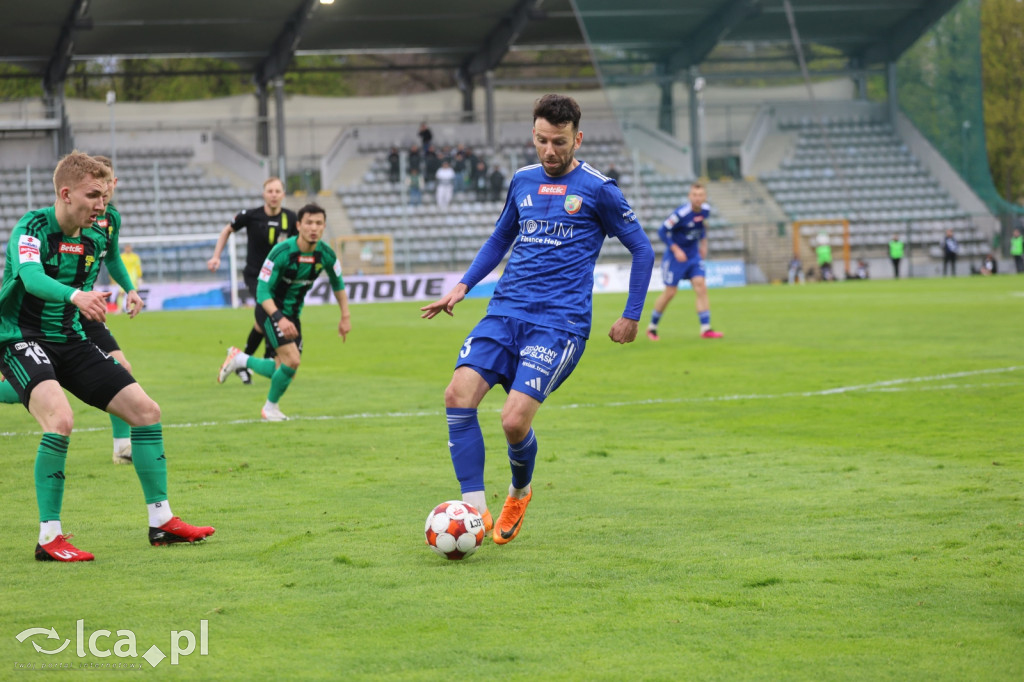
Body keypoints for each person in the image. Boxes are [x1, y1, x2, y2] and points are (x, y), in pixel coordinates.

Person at [420, 94, 654, 545]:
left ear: (577, 139)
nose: (550, 150)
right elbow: (500, 238)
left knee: (513, 422)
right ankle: (475, 509)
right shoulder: (523, 180)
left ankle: (519, 491)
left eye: (559, 142)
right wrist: (463, 285)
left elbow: (642, 249)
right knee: (457, 394)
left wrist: (631, 315)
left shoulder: (599, 189)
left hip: (559, 324)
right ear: (533, 135)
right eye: (542, 140)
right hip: (505, 312)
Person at [0, 151, 214, 562]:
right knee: (60, 420)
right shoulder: (31, 227)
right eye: (93, 195)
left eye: (104, 195)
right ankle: (49, 538)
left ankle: (162, 521)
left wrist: (124, 289)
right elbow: (30, 277)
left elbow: (111, 259)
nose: (102, 204)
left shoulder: (96, 234)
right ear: (66, 194)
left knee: (146, 411)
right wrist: (76, 296)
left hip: (71, 338)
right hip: (20, 336)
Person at [218, 203, 351, 421]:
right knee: (292, 360)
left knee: (286, 369)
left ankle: (240, 359)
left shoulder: (326, 255)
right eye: (309, 223)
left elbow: (338, 283)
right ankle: (270, 409)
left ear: (324, 227)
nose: (313, 228)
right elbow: (262, 290)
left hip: (292, 315)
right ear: (298, 226)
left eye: (318, 223)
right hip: (269, 310)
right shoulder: (281, 252)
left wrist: (345, 316)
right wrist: (278, 318)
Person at [207, 177, 297, 383]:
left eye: (277, 191)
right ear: (264, 194)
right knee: (269, 313)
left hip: (279, 278)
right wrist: (216, 256)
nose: (274, 195)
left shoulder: (291, 218)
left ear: (283, 194)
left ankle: (241, 360)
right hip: (256, 275)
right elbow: (227, 230)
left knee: (261, 321)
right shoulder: (251, 215)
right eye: (270, 191)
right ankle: (267, 357)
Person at [646, 182, 723, 340]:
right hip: (675, 258)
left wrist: (704, 244)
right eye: (694, 195)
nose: (697, 198)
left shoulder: (706, 210)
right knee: (670, 293)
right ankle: (652, 327)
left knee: (701, 286)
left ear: (705, 197)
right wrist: (676, 249)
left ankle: (706, 329)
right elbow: (662, 231)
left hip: (693, 255)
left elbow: (702, 227)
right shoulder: (681, 214)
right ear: (689, 196)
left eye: (700, 195)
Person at [117, 242, 143, 311]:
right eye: (127, 248)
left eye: (129, 248)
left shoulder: (135, 257)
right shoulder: (121, 256)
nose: (128, 249)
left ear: (131, 248)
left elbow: (138, 267)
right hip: (123, 276)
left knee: (133, 293)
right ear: (125, 248)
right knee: (121, 293)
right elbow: (118, 267)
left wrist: (139, 277)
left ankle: (132, 308)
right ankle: (119, 308)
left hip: (133, 277)